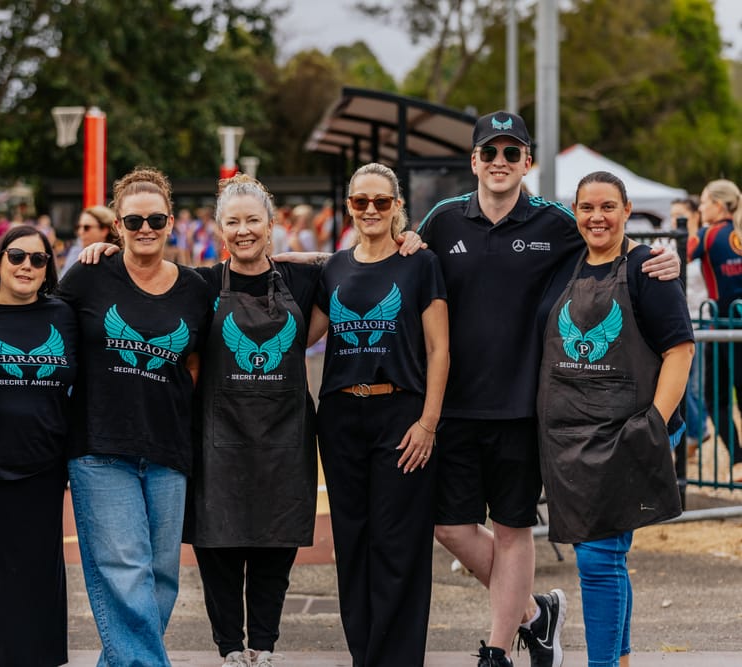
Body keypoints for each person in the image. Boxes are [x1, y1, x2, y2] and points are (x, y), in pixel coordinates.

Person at [416, 110, 681, 667]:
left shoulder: (556, 222)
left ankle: (497, 648)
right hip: (457, 408)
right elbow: (385, 262)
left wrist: (666, 256)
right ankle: (536, 617)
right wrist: (291, 261)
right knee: (451, 528)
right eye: (490, 152)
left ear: (527, 163)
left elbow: (610, 241)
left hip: (525, 412)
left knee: (518, 532)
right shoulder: (441, 221)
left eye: (512, 153)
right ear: (474, 161)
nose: (500, 162)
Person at [55, 167, 209, 667]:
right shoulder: (87, 276)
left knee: (161, 579)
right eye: (135, 220)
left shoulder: (195, 288)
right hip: (100, 450)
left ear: (171, 224)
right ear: (116, 224)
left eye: (156, 219)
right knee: (125, 572)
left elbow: (195, 365)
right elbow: (32, 315)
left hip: (168, 449)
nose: (146, 228)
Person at [538, 171, 692, 667]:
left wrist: (653, 425)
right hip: (570, 437)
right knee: (608, 557)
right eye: (587, 208)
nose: (596, 217)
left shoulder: (648, 267)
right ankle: (620, 661)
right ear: (574, 212)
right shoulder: (565, 264)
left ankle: (603, 664)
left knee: (597, 559)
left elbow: (680, 349)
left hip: (626, 432)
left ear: (627, 211)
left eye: (608, 207)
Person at [306, 162, 449, 667]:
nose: (370, 210)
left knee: (399, 545)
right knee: (353, 543)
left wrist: (428, 422)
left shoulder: (420, 263)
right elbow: (305, 337)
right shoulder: (334, 268)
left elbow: (439, 349)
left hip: (402, 415)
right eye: (361, 201)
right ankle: (364, 656)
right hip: (342, 417)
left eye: (381, 202)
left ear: (396, 207)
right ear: (348, 207)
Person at [183, 175, 320, 667]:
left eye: (253, 220)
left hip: (285, 438)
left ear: (272, 224)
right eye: (233, 222)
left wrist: (302, 257)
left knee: (273, 548)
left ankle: (264, 647)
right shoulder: (199, 284)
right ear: (219, 229)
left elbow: (359, 266)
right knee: (217, 548)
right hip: (218, 438)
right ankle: (229, 649)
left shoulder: (303, 282)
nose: (243, 230)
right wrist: (99, 254)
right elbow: (141, 284)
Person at [0, 225, 77, 666]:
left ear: (48, 269)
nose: (27, 266)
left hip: (42, 470)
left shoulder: (64, 315)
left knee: (36, 579)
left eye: (38, 260)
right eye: (17, 256)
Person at [687, 179, 742, 482]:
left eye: (705, 201)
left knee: (716, 398)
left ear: (719, 206)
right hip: (734, 320)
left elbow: (682, 252)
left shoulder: (708, 234)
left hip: (722, 323)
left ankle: (738, 459)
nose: (702, 207)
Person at [671, 196, 707, 457]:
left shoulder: (702, 244)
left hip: (702, 320)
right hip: (684, 320)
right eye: (673, 214)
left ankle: (696, 431)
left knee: (695, 386)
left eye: (681, 214)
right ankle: (694, 433)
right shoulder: (674, 244)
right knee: (685, 383)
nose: (675, 219)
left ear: (694, 215)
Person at [59, 205, 120, 277]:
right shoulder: (75, 252)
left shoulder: (117, 258)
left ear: (104, 231)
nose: (80, 232)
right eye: (78, 227)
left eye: (86, 227)